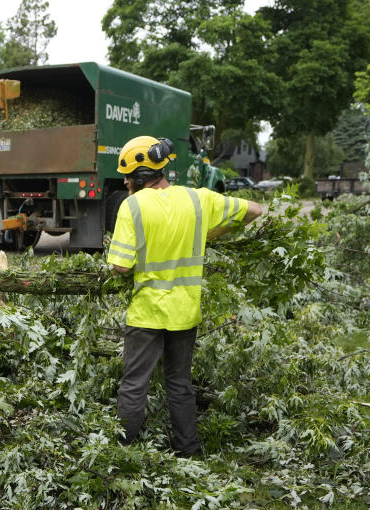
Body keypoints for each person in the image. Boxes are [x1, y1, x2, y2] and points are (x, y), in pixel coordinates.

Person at [107, 135, 262, 455]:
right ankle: (189, 454)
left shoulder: (131, 206)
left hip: (147, 313)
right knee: (179, 386)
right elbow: (256, 210)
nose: (124, 182)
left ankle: (120, 453)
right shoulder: (197, 198)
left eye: (127, 176)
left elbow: (120, 267)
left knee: (135, 386)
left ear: (138, 176)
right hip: (185, 312)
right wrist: (209, 234)